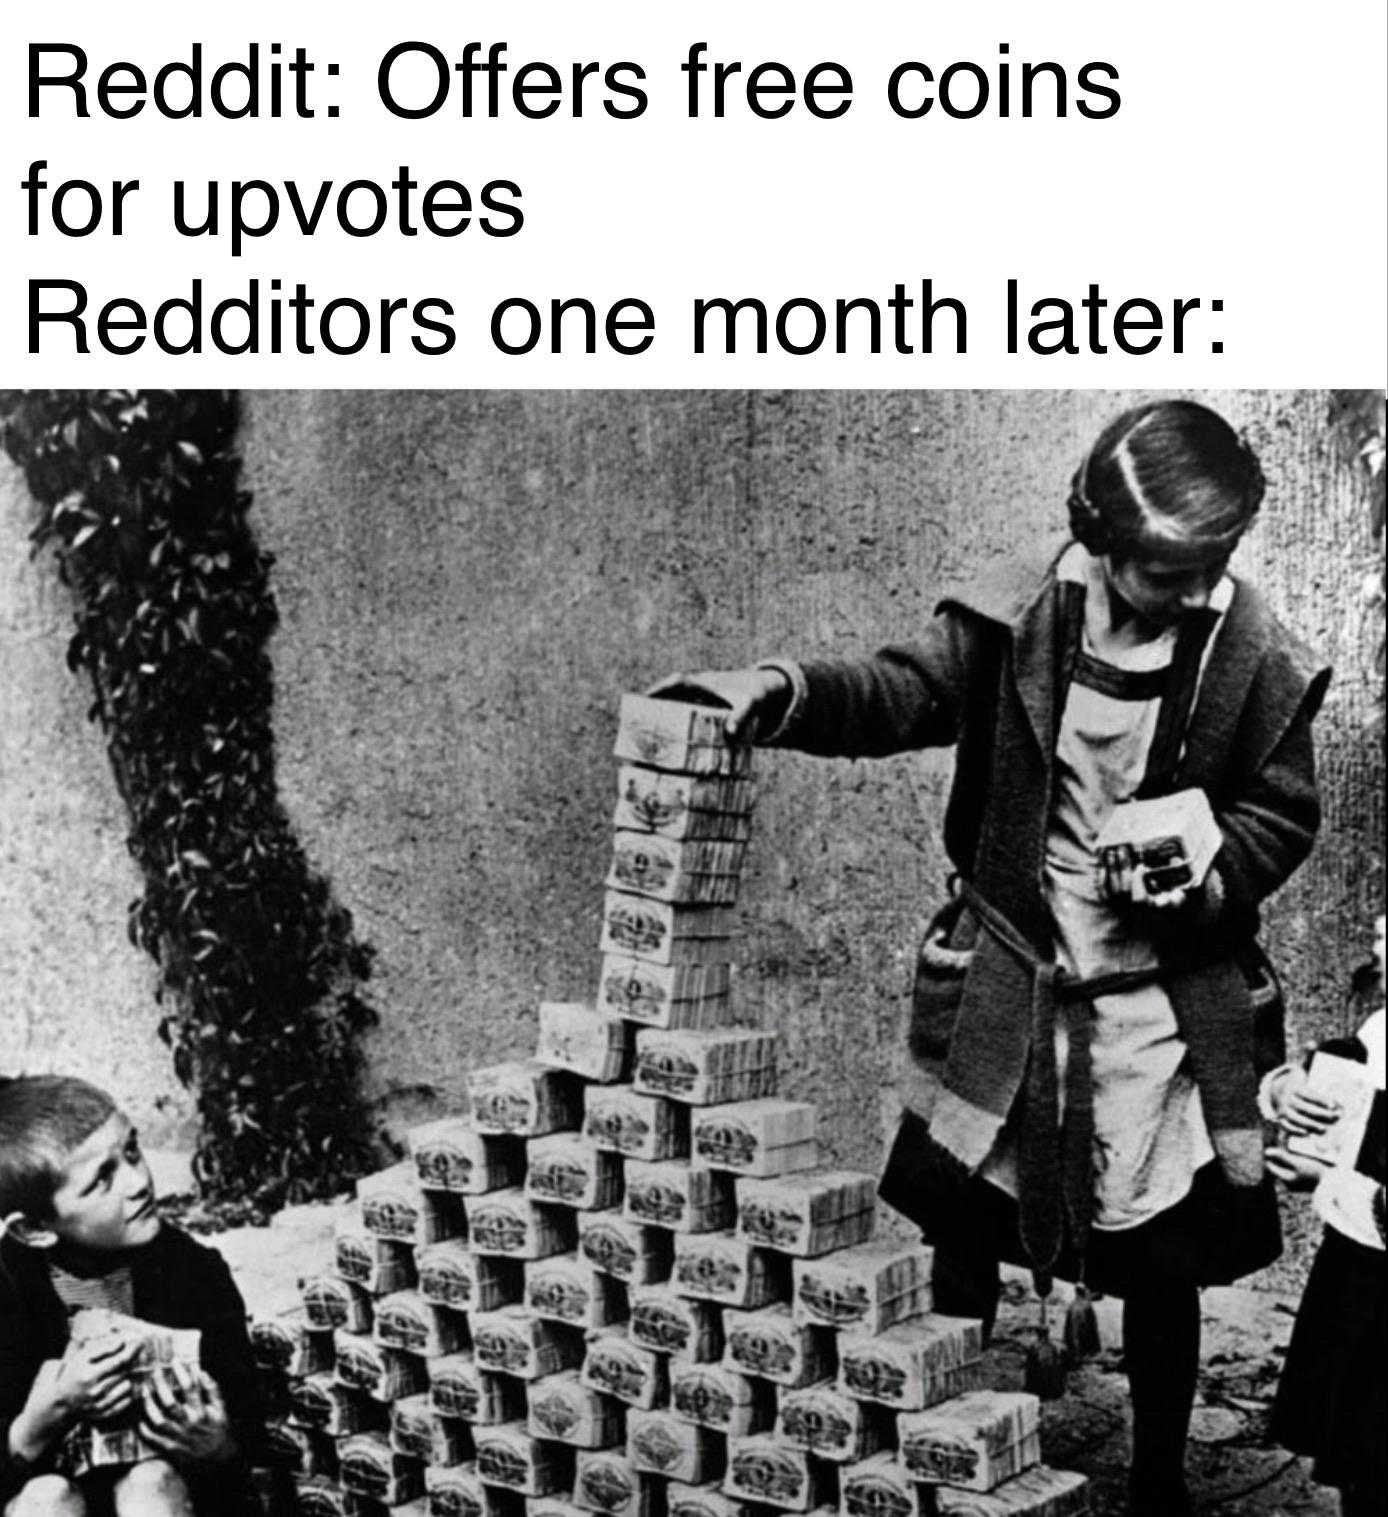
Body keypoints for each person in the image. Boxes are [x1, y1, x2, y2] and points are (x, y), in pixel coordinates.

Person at [651, 400, 1331, 1516]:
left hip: (1154, 1007)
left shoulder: (1248, 653)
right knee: (962, 1217)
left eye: (1212, 566)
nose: (1193, 591)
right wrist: (775, 693)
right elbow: (898, 690)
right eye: (1165, 572)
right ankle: (948, 1442)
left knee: (1159, 1259)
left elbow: (1278, 813)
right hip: (1012, 981)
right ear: (1100, 539)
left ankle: (1155, 1475)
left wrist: (1203, 873)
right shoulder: (1016, 619)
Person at [0, 1076, 263, 1516]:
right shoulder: (7, 1289)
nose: (138, 1181)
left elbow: (248, 1430)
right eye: (102, 1178)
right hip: (48, 1498)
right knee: (47, 1499)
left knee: (150, 1485)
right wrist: (36, 1425)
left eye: (132, 1151)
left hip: (165, 1499)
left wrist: (217, 1443)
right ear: (35, 1229)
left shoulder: (193, 1272)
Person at [1263, 916, 1385, 1517]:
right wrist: (1289, 1088)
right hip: (1360, 1279)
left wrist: (1330, 1181)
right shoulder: (1380, 1030)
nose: (1379, 936)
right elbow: (1350, 1081)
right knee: (1357, 1448)